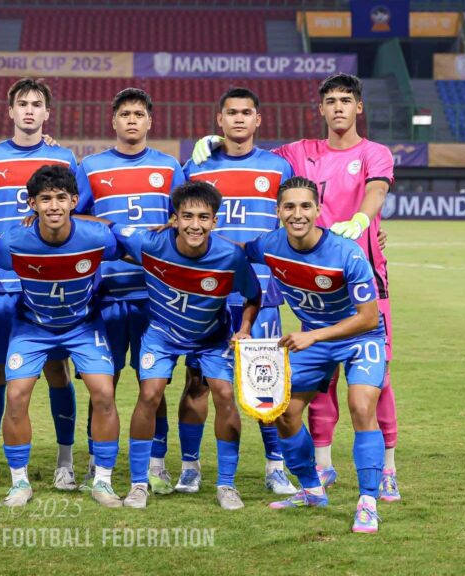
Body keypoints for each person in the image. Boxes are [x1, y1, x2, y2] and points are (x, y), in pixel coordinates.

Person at [191, 74, 400, 501]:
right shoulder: (298, 153)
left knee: (375, 383)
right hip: (311, 282)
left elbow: (377, 190)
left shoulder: (374, 152)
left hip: (362, 275)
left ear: (359, 107)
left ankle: (387, 470)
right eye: (331, 101)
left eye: (346, 100)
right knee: (314, 384)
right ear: (320, 109)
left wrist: (362, 221)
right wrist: (217, 141)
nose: (338, 108)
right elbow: (250, 152)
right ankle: (321, 467)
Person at [0, 165, 123, 508]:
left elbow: (129, 247)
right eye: (45, 199)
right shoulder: (13, 241)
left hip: (83, 325)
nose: (53, 206)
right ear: (32, 204)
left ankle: (102, 481)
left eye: (60, 198)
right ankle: (19, 483)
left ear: (74, 201)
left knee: (104, 393)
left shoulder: (97, 237)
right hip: (32, 326)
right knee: (16, 395)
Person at [245, 176, 387, 533]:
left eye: (305, 206)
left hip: (359, 336)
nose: (298, 214)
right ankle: (311, 489)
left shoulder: (346, 253)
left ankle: (368, 502)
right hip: (314, 338)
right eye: (289, 207)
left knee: (361, 406)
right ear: (278, 212)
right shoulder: (269, 245)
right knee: (284, 412)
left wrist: (314, 335)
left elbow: (368, 317)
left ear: (318, 210)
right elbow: (234, 251)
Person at [113, 181, 261, 510]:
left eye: (203, 217)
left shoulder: (231, 256)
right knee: (149, 394)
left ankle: (226, 485)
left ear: (215, 221)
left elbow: (254, 295)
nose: (195, 225)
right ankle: (138, 484)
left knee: (224, 394)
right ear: (174, 219)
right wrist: (52, 218)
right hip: (162, 334)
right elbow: (106, 226)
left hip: (210, 337)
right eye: (187, 216)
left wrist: (245, 328)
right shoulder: (149, 242)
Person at [180, 87, 298, 496]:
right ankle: (190, 467)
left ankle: (275, 467)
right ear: (220, 120)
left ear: (258, 120)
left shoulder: (278, 168)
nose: (239, 119)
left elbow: (293, 223)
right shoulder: (196, 166)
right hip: (206, 295)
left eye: (247, 112)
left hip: (261, 296)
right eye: (231, 113)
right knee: (197, 381)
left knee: (265, 383)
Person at [0, 78, 79, 491]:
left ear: (47, 112)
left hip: (50, 284)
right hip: (0, 282)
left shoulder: (64, 157)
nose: (29, 110)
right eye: (22, 104)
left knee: (56, 368)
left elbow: (79, 213)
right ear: (10, 111)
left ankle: (65, 459)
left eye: (36, 104)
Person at [72, 87, 184, 493]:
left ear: (150, 121)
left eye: (139, 114)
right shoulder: (91, 167)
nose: (132, 120)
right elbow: (75, 215)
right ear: (114, 121)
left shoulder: (169, 167)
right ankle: (95, 461)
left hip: (157, 295)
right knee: (103, 381)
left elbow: (182, 220)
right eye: (125, 114)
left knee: (154, 382)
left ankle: (156, 462)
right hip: (105, 294)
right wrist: (113, 229)